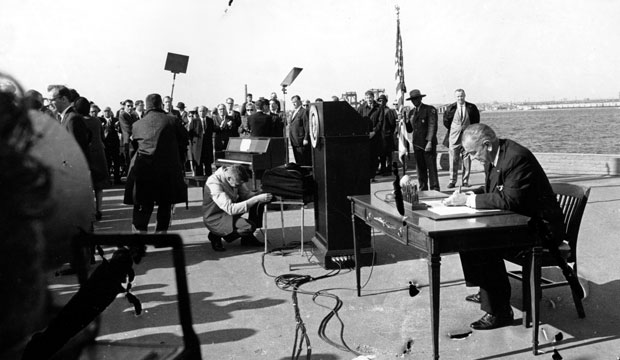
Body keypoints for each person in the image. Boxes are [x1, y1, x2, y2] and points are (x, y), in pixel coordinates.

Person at [442, 123, 564, 330]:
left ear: (487, 145)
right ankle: (486, 291)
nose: (472, 158)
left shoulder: (517, 158)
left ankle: (499, 311)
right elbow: (493, 189)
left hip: (543, 230)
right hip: (523, 223)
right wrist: (470, 195)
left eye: (473, 153)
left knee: (484, 242)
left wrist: (467, 201)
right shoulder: (496, 155)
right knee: (466, 235)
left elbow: (510, 199)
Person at [123, 93, 187, 234]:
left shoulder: (137, 125)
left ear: (146, 106)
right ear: (161, 105)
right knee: (165, 203)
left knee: (142, 204)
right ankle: (161, 234)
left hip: (143, 170)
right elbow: (184, 141)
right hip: (166, 170)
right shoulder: (172, 120)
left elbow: (132, 149)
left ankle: (140, 235)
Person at [202, 164, 272, 251]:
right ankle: (215, 235)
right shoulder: (214, 183)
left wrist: (258, 193)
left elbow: (246, 195)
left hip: (228, 211)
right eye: (237, 185)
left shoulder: (234, 176)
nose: (239, 187)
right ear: (229, 179)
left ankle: (247, 238)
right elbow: (230, 209)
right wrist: (256, 198)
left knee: (257, 202)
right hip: (216, 217)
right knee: (248, 227)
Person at [76, 99, 109, 221]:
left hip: (86, 154)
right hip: (99, 153)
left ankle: (90, 210)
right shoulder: (97, 120)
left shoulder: (78, 122)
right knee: (98, 185)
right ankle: (99, 210)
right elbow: (102, 136)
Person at [443, 89, 480, 188]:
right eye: (458, 96)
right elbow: (446, 121)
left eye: (462, 96)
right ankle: (452, 180)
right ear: (455, 97)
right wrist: (456, 129)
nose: (460, 98)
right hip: (454, 137)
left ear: (465, 96)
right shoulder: (450, 108)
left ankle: (465, 181)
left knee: (467, 159)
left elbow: (476, 121)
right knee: (453, 159)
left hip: (467, 137)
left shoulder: (471, 107)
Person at [404, 89, 439, 191]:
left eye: (416, 99)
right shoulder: (411, 112)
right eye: (412, 100)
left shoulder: (429, 109)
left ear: (420, 98)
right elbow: (410, 130)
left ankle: (434, 188)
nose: (414, 101)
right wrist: (406, 122)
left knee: (431, 168)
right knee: (420, 168)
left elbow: (432, 126)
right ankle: (423, 188)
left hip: (427, 143)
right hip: (417, 144)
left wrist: (429, 142)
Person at [47, 85, 89, 156]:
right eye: (48, 100)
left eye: (52, 100)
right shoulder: (61, 118)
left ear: (63, 99)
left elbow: (78, 151)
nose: (49, 104)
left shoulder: (73, 119)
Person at [358, 90, 380, 181]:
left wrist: (374, 132)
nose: (369, 99)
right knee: (365, 157)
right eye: (367, 98)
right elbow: (357, 120)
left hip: (375, 136)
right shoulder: (361, 108)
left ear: (373, 97)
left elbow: (380, 121)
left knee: (374, 157)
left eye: (370, 97)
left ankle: (372, 176)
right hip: (365, 136)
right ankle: (366, 176)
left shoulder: (378, 108)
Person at [189, 106, 214, 176]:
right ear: (198, 112)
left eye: (203, 111)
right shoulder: (194, 121)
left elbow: (212, 131)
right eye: (200, 111)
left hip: (207, 146)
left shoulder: (210, 120)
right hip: (197, 147)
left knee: (208, 166)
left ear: (206, 112)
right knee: (198, 166)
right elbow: (190, 134)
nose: (202, 113)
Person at [376, 94, 397, 175]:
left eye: (382, 101)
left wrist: (388, 132)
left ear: (385, 102)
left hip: (387, 136)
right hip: (380, 136)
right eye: (379, 101)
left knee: (388, 154)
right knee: (381, 154)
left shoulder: (388, 111)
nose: (381, 102)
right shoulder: (378, 110)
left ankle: (388, 170)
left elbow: (393, 124)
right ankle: (383, 169)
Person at [101, 106, 122, 184]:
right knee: (107, 163)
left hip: (115, 144)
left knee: (117, 162)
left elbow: (120, 131)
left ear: (111, 112)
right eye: (105, 111)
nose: (107, 112)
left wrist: (117, 127)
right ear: (103, 112)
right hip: (106, 145)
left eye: (108, 111)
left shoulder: (116, 120)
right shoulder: (101, 120)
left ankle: (117, 179)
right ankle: (107, 179)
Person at [289, 95, 310, 165]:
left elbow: (307, 125)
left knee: (303, 161)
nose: (294, 104)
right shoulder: (293, 112)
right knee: (297, 161)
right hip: (294, 141)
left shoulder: (304, 112)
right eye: (293, 102)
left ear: (300, 101)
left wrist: (306, 138)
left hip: (301, 141)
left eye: (295, 102)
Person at [117, 99, 136, 175]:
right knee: (128, 160)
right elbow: (127, 128)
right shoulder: (122, 115)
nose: (130, 108)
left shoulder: (134, 116)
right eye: (128, 106)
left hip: (133, 140)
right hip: (127, 141)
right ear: (124, 106)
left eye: (131, 106)